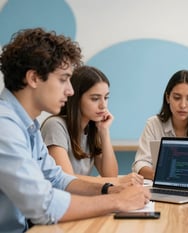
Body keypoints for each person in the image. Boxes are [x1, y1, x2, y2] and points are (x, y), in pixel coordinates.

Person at [0, 28, 150, 232]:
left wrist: (110, 189)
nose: (70, 90)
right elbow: (43, 205)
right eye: (63, 79)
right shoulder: (5, 127)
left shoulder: (29, 126)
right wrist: (117, 201)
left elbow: (56, 178)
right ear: (34, 78)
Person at [41, 65, 143, 185]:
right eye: (95, 98)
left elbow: (110, 175)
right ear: (76, 98)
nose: (103, 105)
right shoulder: (55, 126)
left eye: (106, 98)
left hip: (79, 199)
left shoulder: (91, 129)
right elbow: (65, 178)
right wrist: (117, 181)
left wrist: (104, 132)